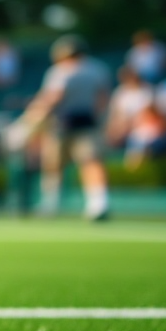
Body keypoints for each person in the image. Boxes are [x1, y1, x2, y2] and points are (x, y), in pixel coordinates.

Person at [21, 35, 112, 220]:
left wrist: (34, 117)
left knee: (57, 164)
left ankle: (51, 204)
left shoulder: (60, 71)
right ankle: (98, 203)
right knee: (89, 161)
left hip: (63, 123)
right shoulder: (98, 68)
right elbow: (102, 99)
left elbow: (54, 97)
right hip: (86, 122)